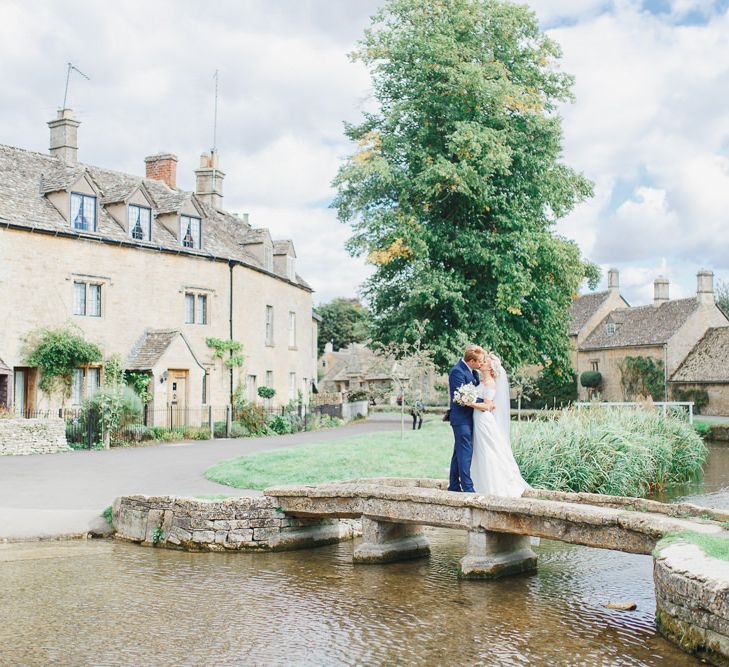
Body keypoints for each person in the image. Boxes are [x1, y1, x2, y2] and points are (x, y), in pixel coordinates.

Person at [470, 353, 530, 497]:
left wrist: (469, 403)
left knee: (488, 451)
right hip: (478, 419)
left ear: (490, 369)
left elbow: (487, 405)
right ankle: (478, 482)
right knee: (479, 450)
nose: (482, 363)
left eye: (486, 362)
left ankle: (493, 485)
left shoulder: (490, 383)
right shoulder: (482, 381)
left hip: (484, 420)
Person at [447, 345, 494, 492]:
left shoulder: (473, 372)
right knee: (465, 452)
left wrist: (488, 402)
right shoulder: (457, 371)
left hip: (472, 418)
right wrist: (485, 403)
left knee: (459, 453)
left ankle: (454, 485)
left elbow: (475, 394)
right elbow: (460, 397)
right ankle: (468, 488)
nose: (481, 364)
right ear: (472, 360)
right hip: (461, 419)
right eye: (479, 362)